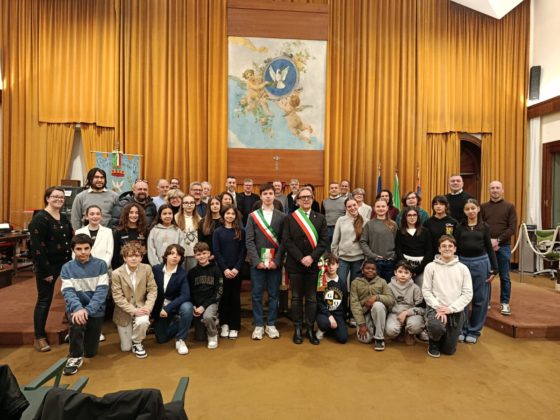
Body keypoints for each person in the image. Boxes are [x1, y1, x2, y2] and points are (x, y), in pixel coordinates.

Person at [29, 187, 73, 352]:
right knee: (44, 300)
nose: (59, 199)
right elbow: (37, 248)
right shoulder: (40, 219)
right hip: (48, 266)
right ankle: (39, 337)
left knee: (71, 297)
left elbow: (70, 239)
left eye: (61, 197)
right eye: (55, 196)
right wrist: (45, 271)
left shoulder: (63, 217)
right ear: (47, 198)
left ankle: (73, 330)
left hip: (66, 263)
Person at [282, 186, 328, 345]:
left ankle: (309, 328)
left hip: (313, 265)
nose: (306, 199)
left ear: (313, 199)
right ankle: (297, 328)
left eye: (309, 197)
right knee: (296, 298)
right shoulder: (290, 218)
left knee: (311, 298)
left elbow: (323, 241)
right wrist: (301, 258)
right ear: (297, 201)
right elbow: (287, 241)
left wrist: (311, 258)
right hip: (296, 264)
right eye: (303, 197)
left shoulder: (320, 218)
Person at [60, 234, 109, 375]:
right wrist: (78, 308)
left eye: (86, 248)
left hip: (95, 309)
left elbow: (101, 292)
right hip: (76, 310)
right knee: (77, 322)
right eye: (79, 249)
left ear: (91, 248)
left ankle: (76, 336)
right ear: (73, 250)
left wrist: (87, 310)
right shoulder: (67, 267)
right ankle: (74, 356)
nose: (83, 252)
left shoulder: (101, 265)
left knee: (90, 352)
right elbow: (68, 292)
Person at [245, 183, 286, 340]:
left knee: (274, 294)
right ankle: (258, 325)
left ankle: (271, 324)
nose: (268, 196)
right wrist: (257, 261)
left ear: (274, 195)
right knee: (256, 294)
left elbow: (284, 241)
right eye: (265, 194)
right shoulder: (253, 216)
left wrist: (277, 260)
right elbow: (249, 240)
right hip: (257, 263)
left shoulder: (282, 216)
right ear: (261, 196)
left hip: (275, 263)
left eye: (270, 193)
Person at [454, 199, 497, 344]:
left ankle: (474, 330)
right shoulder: (460, 227)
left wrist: (494, 269)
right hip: (462, 263)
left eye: (473, 208)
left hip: (481, 263)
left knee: (480, 298)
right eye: (467, 209)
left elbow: (489, 248)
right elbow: (455, 248)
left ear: (478, 209)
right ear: (464, 211)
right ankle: (462, 329)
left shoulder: (484, 227)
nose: (470, 211)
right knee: (462, 298)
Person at [422, 236, 473, 358]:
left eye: (450, 246)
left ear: (455, 249)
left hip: (455, 310)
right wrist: (438, 307)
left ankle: (445, 335)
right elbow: (426, 290)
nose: (447, 248)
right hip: (436, 309)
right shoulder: (430, 267)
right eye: (444, 246)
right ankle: (433, 341)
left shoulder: (463, 269)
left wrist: (450, 309)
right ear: (439, 249)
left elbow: (467, 293)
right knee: (436, 327)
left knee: (449, 350)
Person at [111, 242, 157, 359]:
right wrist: (134, 311)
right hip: (124, 312)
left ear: (141, 257)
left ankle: (137, 342)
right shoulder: (116, 273)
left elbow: (152, 290)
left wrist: (147, 307)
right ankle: (132, 333)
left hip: (142, 307)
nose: (133, 258)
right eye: (130, 255)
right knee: (126, 348)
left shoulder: (147, 269)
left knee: (143, 321)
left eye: (137, 255)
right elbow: (118, 297)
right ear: (124, 258)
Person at [481, 181, 517, 316]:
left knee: (505, 276)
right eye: (492, 188)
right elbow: (481, 225)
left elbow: (512, 228)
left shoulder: (510, 206)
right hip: (486, 246)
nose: (495, 190)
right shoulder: (483, 207)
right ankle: (486, 301)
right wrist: (489, 241)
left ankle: (505, 303)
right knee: (486, 275)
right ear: (489, 191)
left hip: (503, 246)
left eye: (497, 188)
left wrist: (498, 240)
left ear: (502, 190)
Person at [152, 244, 193, 355]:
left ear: (181, 258)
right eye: (172, 253)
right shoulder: (155, 270)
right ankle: (181, 321)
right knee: (161, 339)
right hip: (159, 308)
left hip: (174, 306)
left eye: (178, 255)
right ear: (166, 255)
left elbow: (185, 295)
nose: (175, 256)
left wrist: (167, 308)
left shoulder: (182, 274)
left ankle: (181, 339)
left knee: (187, 307)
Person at [213, 205, 245, 339]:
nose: (230, 216)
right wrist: (225, 269)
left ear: (236, 216)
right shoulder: (218, 232)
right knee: (224, 297)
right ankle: (224, 324)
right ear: (223, 215)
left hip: (236, 270)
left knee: (235, 297)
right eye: (227, 213)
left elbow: (242, 252)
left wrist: (236, 268)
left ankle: (234, 326)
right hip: (223, 270)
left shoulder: (240, 231)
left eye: (232, 214)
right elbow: (217, 251)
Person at [331, 197, 365, 324]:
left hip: (358, 259)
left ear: (358, 205)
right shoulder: (341, 220)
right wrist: (335, 258)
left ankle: (352, 315)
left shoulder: (364, 220)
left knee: (355, 289)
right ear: (346, 208)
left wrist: (366, 260)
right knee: (341, 287)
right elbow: (335, 241)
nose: (352, 208)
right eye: (349, 206)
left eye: (354, 205)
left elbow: (366, 242)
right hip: (343, 259)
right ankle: (341, 313)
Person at [350, 259, 395, 351]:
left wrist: (376, 297)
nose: (370, 270)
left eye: (373, 269)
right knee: (365, 339)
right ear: (362, 270)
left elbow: (391, 300)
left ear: (376, 271)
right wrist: (362, 324)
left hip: (379, 312)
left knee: (377, 305)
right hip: (364, 313)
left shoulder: (382, 281)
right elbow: (354, 305)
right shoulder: (355, 283)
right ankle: (373, 328)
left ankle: (379, 338)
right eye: (367, 268)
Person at [189, 242, 223, 349]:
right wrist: (194, 306)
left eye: (204, 253)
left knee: (208, 317)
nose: (201, 256)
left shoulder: (216, 270)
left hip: (211, 302)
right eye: (198, 254)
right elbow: (189, 291)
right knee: (200, 337)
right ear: (195, 256)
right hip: (197, 304)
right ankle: (213, 322)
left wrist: (203, 307)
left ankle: (213, 335)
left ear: (209, 254)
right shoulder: (192, 272)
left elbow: (219, 292)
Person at [385, 260, 427, 344]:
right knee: (390, 331)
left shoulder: (415, 288)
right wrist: (399, 312)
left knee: (416, 327)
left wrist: (406, 312)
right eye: (400, 272)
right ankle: (400, 331)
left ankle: (409, 333)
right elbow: (387, 305)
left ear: (411, 275)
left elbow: (422, 308)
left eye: (406, 272)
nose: (403, 275)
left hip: (411, 313)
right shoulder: (388, 287)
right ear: (395, 272)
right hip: (395, 313)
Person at [359, 198, 397, 282]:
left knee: (388, 286)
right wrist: (372, 255)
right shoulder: (369, 224)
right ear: (374, 208)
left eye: (383, 206)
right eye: (378, 206)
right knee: (374, 286)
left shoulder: (393, 224)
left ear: (387, 208)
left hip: (390, 261)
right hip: (374, 262)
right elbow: (363, 242)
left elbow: (397, 242)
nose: (381, 208)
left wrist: (393, 256)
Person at [395, 206, 433, 287]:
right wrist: (407, 267)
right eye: (409, 215)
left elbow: (429, 251)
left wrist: (419, 269)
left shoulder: (425, 231)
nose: (412, 217)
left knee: (421, 289)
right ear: (405, 217)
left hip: (422, 266)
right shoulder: (400, 232)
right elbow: (398, 250)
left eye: (414, 215)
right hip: (405, 266)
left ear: (418, 217)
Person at [315, 254, 348, 344]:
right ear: (325, 266)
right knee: (324, 323)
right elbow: (319, 302)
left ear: (338, 265)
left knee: (343, 338)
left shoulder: (341, 283)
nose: (330, 267)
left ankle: (332, 329)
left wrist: (342, 319)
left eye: (333, 264)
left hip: (338, 314)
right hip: (324, 313)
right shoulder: (321, 281)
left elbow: (344, 301)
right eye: (328, 264)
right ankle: (323, 328)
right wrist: (329, 316)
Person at [75, 205, 114, 269]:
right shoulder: (79, 232)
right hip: (83, 268)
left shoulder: (108, 232)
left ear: (101, 216)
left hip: (102, 268)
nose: (95, 216)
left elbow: (109, 252)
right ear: (87, 217)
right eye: (92, 214)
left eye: (98, 214)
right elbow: (75, 253)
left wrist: (103, 266)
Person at [112, 203, 149, 269]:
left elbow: (147, 253)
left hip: (141, 268)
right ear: (126, 214)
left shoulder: (145, 231)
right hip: (123, 268)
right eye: (131, 212)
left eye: (136, 213)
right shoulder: (118, 232)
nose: (134, 215)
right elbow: (115, 255)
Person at [175, 194, 200, 272]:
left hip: (193, 254)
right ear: (182, 205)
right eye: (186, 203)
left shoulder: (199, 219)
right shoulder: (175, 218)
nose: (189, 205)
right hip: (179, 253)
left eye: (192, 202)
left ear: (195, 205)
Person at [321, 182, 346, 250]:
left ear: (339, 190)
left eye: (336, 188)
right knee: (328, 249)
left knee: (340, 248)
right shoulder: (324, 201)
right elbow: (322, 215)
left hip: (341, 228)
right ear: (329, 190)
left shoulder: (345, 201)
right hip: (327, 228)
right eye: (331, 188)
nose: (334, 189)